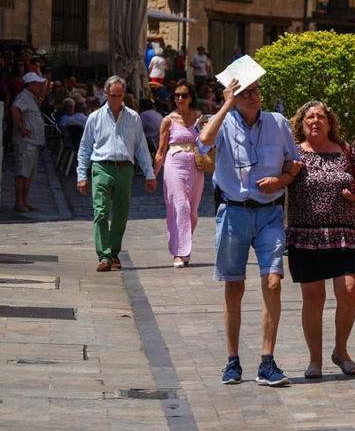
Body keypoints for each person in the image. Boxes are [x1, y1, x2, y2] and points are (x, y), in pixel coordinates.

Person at [198, 78, 302, 386]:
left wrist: (280, 181)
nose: (255, 97)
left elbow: (293, 163)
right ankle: (232, 360)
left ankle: (267, 361)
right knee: (234, 287)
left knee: (273, 282)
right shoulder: (223, 123)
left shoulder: (278, 123)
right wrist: (227, 104)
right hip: (233, 212)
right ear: (234, 97)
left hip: (269, 213)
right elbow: (203, 142)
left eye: (256, 91)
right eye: (246, 94)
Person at [286, 101, 355, 379]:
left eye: (320, 117)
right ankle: (315, 360)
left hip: (344, 233)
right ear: (300, 124)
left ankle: (341, 350)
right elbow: (278, 182)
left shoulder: (347, 151)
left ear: (329, 122)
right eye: (309, 117)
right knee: (314, 298)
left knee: (348, 291)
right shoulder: (293, 153)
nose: (315, 121)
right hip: (305, 235)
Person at [77, 75, 158, 272]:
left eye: (120, 95)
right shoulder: (95, 117)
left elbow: (141, 147)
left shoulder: (133, 117)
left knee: (121, 215)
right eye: (113, 95)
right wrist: (82, 175)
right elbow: (85, 147)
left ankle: (113, 252)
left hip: (125, 169)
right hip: (101, 167)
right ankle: (104, 255)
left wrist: (150, 174)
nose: (116, 99)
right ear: (106, 94)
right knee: (101, 212)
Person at [153, 80, 205, 268]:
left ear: (191, 97)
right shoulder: (168, 120)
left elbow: (208, 141)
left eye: (184, 95)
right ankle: (179, 252)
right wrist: (153, 174)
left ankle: (185, 247)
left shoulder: (199, 118)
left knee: (192, 212)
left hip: (196, 166)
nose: (180, 98)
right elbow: (160, 150)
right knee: (180, 206)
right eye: (177, 95)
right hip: (174, 163)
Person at [11, 72, 47, 213]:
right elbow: (15, 109)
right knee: (23, 172)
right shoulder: (23, 97)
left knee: (29, 174)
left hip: (34, 142)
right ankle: (19, 202)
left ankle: (24, 202)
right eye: (37, 84)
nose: (39, 86)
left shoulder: (31, 98)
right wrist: (21, 127)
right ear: (30, 84)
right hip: (26, 142)